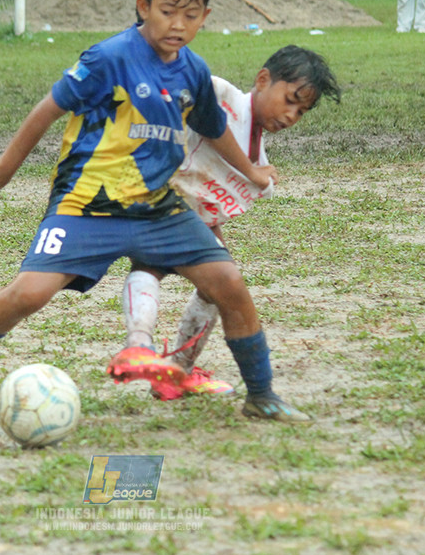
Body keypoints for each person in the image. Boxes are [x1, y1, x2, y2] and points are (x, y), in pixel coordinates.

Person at [0, 0, 311, 424]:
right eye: (167, 11)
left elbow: (215, 128)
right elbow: (46, 110)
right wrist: (3, 171)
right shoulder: (108, 58)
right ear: (142, 6)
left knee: (229, 285)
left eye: (191, 15)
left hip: (157, 209)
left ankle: (261, 394)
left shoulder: (192, 70)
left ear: (205, 17)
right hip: (88, 204)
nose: (178, 24)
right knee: (28, 295)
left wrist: (252, 171)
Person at [111, 45, 340, 401]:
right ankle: (144, 349)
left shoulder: (256, 150)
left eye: (302, 110)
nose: (293, 115)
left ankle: (169, 365)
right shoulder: (219, 93)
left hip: (177, 209)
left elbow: (212, 197)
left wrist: (258, 178)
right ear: (263, 80)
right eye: (290, 100)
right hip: (150, 194)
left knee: (215, 281)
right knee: (167, 268)